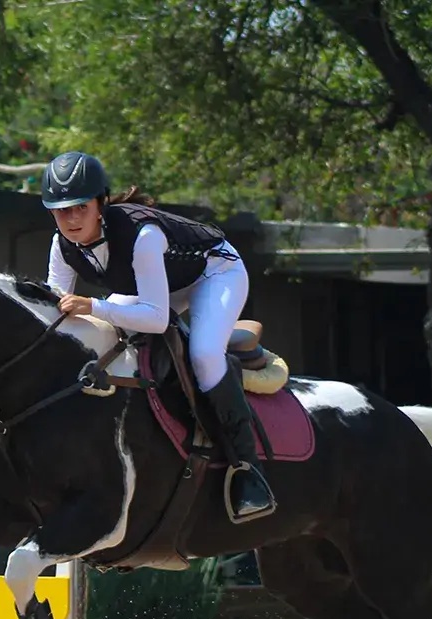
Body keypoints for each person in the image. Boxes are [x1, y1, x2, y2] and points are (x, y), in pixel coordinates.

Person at [40, 150, 277, 524]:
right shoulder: (61, 245)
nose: (71, 219)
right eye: (60, 210)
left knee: (203, 354)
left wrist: (93, 306)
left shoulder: (143, 236)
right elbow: (55, 312)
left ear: (101, 203)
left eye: (80, 207)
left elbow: (155, 317)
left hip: (214, 273)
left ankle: (248, 471)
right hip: (158, 285)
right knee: (110, 336)